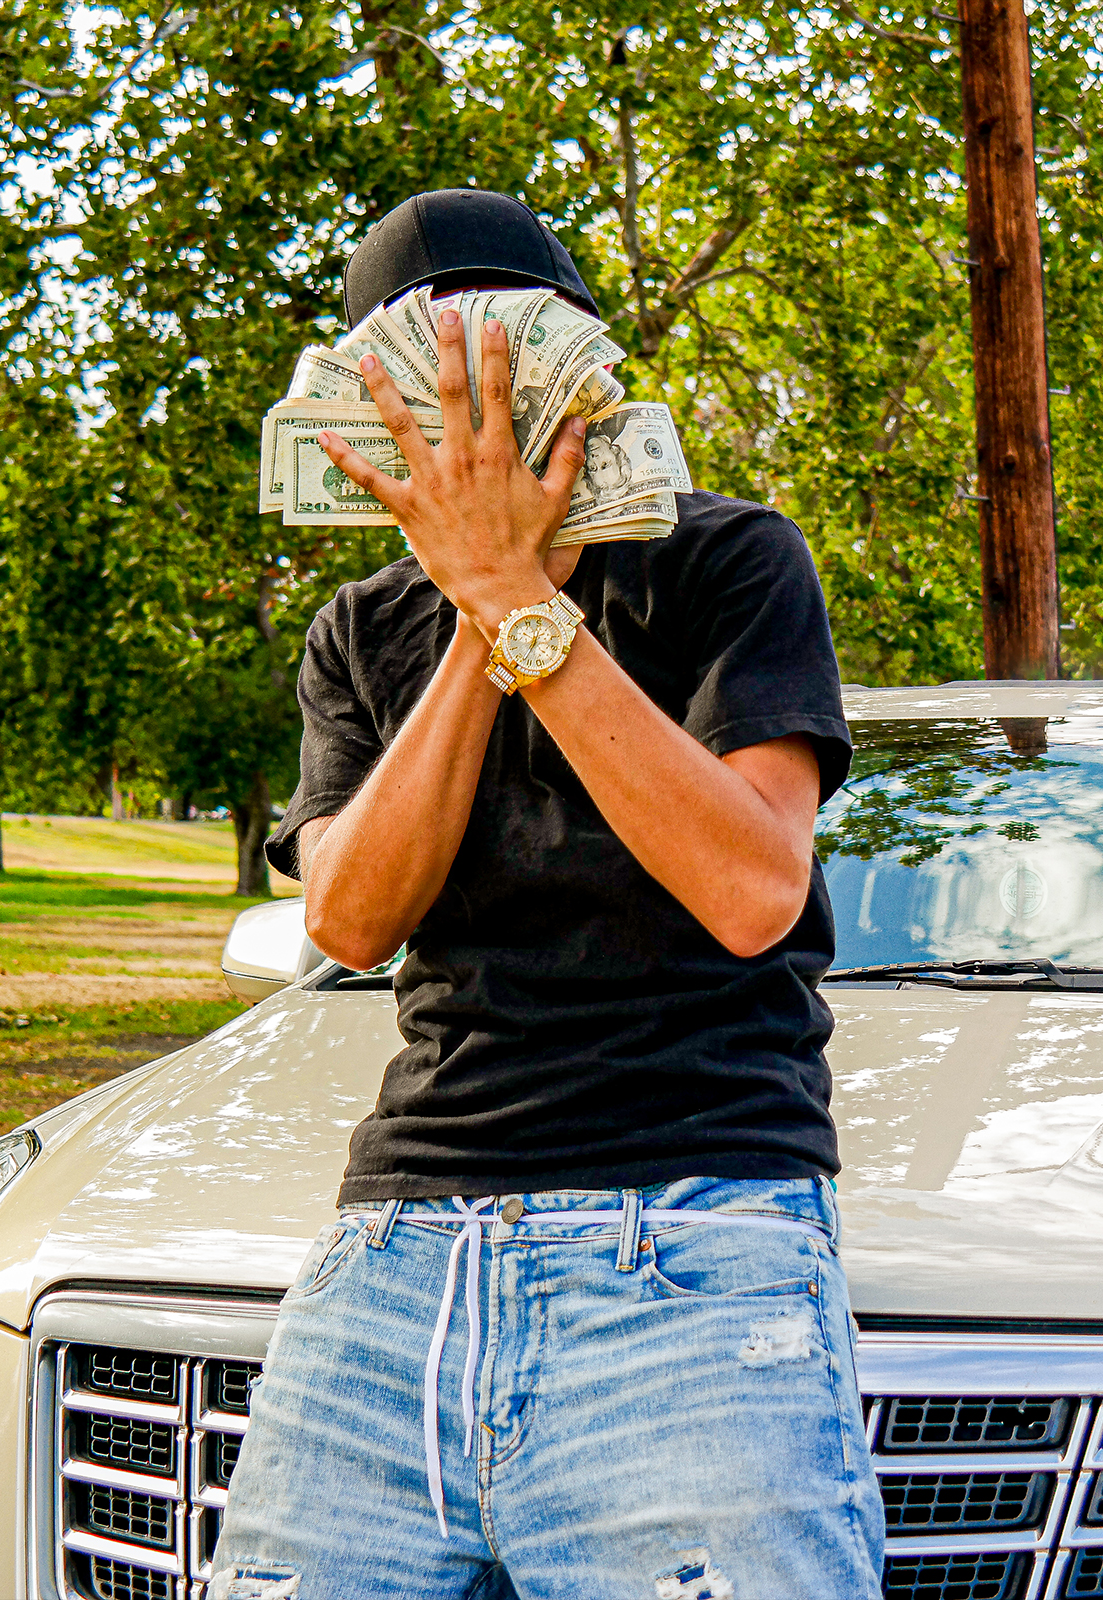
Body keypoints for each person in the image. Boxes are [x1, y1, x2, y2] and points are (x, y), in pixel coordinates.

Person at [209, 190, 883, 1600]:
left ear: (580, 373)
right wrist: (478, 607)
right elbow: (347, 918)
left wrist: (532, 611)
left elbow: (756, 887)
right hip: (401, 1245)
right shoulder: (358, 633)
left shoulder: (731, 561)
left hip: (692, 1229)